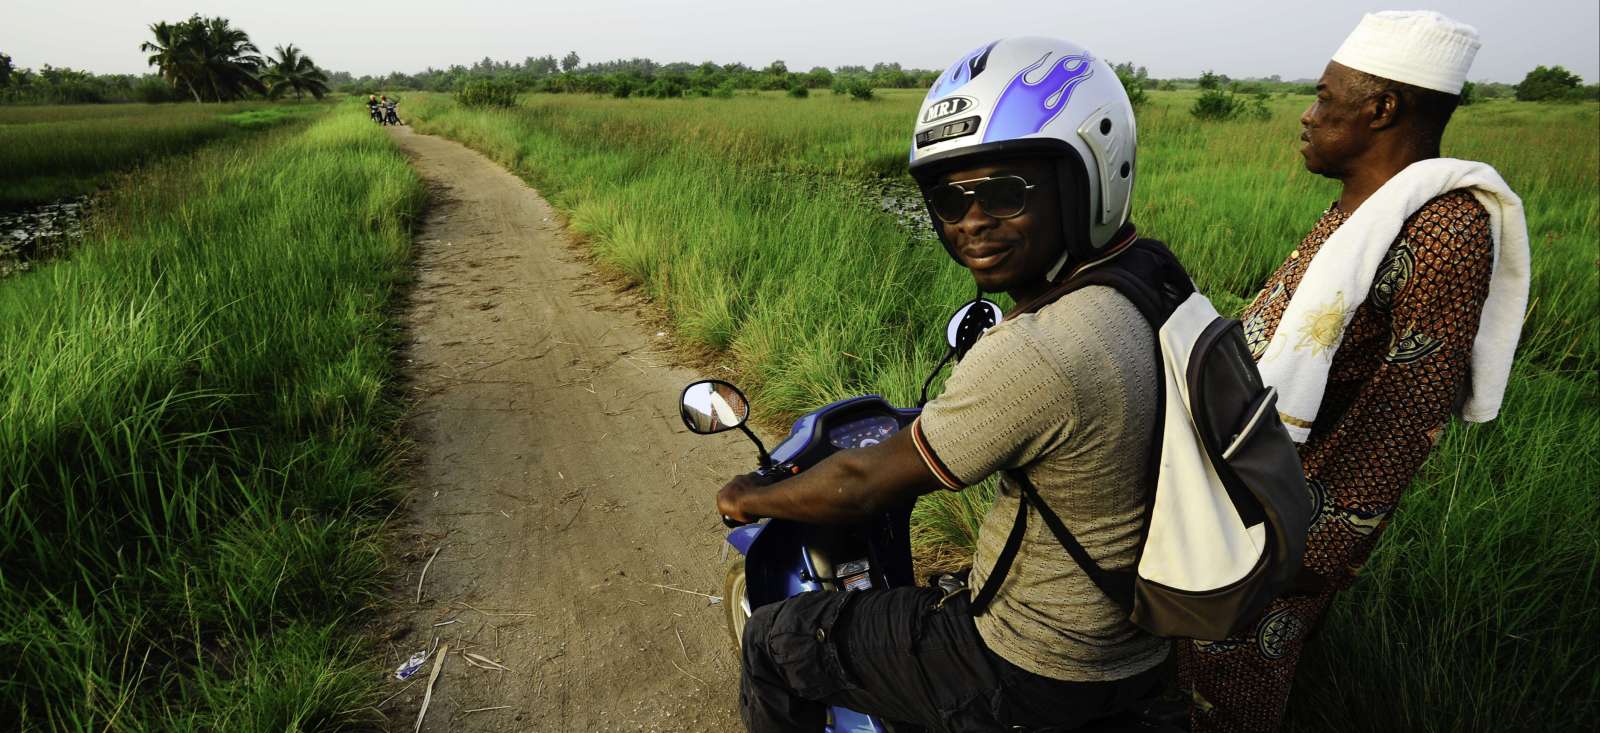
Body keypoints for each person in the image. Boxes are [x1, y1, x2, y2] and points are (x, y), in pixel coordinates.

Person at [716, 37, 1172, 732]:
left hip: (1032, 661)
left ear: (1090, 176)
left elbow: (863, 483)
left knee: (777, 639)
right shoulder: (1154, 281)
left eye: (1004, 191)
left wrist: (756, 496)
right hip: (1143, 639)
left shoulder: (1041, 350)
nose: (971, 221)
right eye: (948, 198)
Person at [1176, 11, 1530, 732]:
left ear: (1381, 107)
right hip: (1245, 490)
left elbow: (1405, 415)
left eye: (1323, 97)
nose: (1306, 116)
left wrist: (1311, 546)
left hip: (1287, 522)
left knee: (1235, 682)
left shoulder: (1444, 231)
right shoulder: (1365, 212)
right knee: (1190, 659)